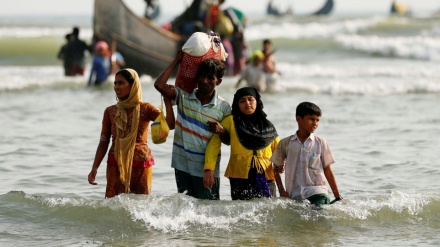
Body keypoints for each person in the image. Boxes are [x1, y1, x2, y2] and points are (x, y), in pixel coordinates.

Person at [154, 52, 231, 200]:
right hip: (182, 165)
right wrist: (177, 60)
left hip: (207, 171)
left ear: (218, 82)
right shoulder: (183, 96)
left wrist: (221, 131)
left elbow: (228, 140)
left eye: (210, 78)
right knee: (186, 211)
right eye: (201, 76)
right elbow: (159, 85)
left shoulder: (224, 108)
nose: (204, 81)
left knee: (208, 213)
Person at [87, 68, 175, 198]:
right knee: (113, 206)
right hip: (116, 163)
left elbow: (169, 125)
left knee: (142, 207)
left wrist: (167, 102)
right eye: (115, 83)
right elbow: (104, 141)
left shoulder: (146, 108)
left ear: (133, 85)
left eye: (121, 83)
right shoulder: (110, 111)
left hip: (141, 164)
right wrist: (94, 168)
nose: (116, 87)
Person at [204, 87, 279, 200]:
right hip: (239, 176)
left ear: (257, 101)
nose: (247, 103)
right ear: (237, 104)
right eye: (242, 101)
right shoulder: (231, 121)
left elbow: (279, 150)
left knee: (269, 211)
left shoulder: (268, 125)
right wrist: (209, 169)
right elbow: (214, 144)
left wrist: (281, 164)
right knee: (241, 211)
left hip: (266, 175)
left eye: (250, 99)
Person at [270, 102, 343, 207]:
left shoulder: (320, 142)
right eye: (311, 119)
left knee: (318, 215)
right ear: (299, 119)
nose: (315, 123)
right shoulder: (286, 143)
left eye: (317, 120)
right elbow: (276, 168)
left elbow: (328, 170)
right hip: (295, 194)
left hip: (318, 192)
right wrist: (281, 191)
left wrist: (337, 196)